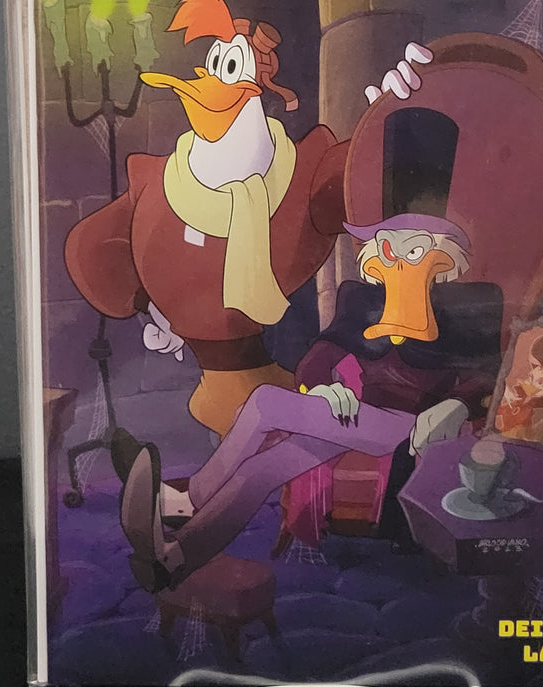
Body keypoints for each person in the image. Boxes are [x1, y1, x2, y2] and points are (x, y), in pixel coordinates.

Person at [116, 215, 497, 591]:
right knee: (262, 470)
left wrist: (456, 405)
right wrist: (322, 388)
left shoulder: (466, 309)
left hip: (412, 427)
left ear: (443, 257)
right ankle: (175, 560)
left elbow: (487, 374)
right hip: (351, 415)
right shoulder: (360, 299)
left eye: (411, 251)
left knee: (265, 401)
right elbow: (320, 355)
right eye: (386, 248)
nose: (396, 260)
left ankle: (190, 497)